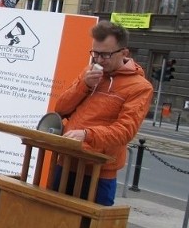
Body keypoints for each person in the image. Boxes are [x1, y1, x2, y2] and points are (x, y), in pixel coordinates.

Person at [54, 21, 153, 206]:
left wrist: (87, 135)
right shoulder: (89, 72)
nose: (98, 60)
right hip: (67, 161)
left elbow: (125, 131)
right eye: (95, 53)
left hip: (99, 171)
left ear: (124, 53)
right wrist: (85, 85)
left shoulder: (140, 87)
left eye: (105, 55)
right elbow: (61, 108)